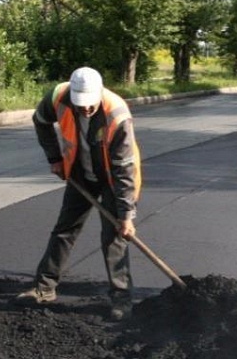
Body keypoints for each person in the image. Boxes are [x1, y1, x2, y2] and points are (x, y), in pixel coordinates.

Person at [14, 66, 142, 321]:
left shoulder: (117, 115)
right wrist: (54, 158)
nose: (85, 109)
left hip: (113, 179)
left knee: (114, 237)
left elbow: (124, 169)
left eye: (90, 104)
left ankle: (121, 298)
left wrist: (126, 216)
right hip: (80, 172)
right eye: (80, 104)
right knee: (65, 229)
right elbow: (40, 121)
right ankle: (44, 288)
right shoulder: (58, 97)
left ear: (99, 93)